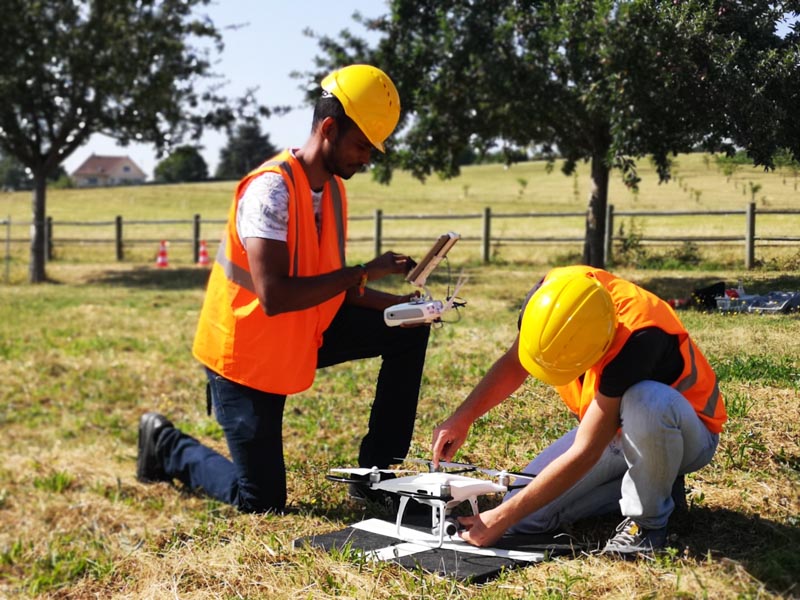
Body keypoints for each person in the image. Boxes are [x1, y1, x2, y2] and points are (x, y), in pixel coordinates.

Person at [136, 64, 430, 514]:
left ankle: (377, 479)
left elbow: (331, 285)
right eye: (361, 145)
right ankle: (166, 444)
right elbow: (275, 296)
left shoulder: (332, 190)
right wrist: (363, 271)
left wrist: (403, 307)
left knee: (408, 329)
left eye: (373, 149)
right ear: (329, 128)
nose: (367, 158)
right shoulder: (270, 191)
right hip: (248, 356)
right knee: (262, 502)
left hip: (303, 335)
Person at [431, 265, 726, 556]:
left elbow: (587, 450)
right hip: (619, 429)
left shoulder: (639, 338)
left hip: (686, 432)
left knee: (647, 399)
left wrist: (499, 518)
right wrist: (463, 417)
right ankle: (658, 483)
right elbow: (515, 362)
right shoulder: (551, 295)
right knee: (527, 516)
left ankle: (648, 523)